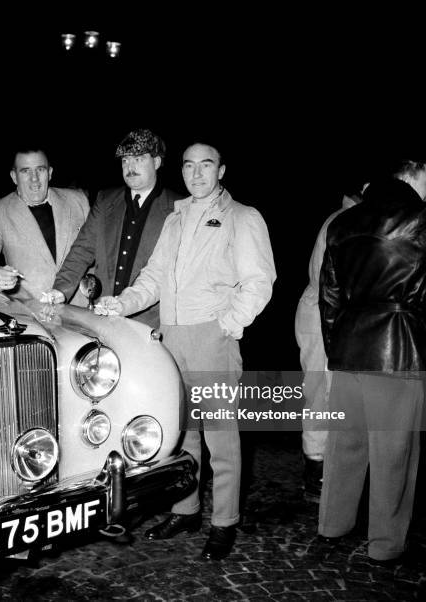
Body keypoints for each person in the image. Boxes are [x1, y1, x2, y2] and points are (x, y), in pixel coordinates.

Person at [95, 141, 276, 560]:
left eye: (206, 165)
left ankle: (224, 522)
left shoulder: (242, 217)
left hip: (211, 340)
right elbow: (154, 277)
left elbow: (259, 281)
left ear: (222, 170)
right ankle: (186, 509)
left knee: (221, 442)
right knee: (181, 435)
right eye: (189, 166)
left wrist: (226, 326)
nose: (196, 174)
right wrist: (122, 302)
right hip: (171, 340)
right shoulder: (176, 218)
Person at [318, 155, 426, 565]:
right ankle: (384, 544)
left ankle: (333, 524)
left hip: (349, 345)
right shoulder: (421, 219)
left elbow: (328, 295)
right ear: (411, 175)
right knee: (394, 451)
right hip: (399, 347)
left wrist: (335, 348)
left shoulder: (342, 222)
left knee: (344, 444)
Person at [43, 128, 183, 327]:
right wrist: (60, 290)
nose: (130, 167)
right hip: (102, 316)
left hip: (150, 323)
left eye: (138, 159)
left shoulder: (178, 209)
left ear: (157, 162)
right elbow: (82, 249)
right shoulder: (105, 200)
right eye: (125, 160)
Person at [295, 183, 363, 502]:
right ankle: (316, 475)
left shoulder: (351, 218)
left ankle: (327, 471)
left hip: (330, 315)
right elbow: (329, 283)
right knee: (321, 396)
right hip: (322, 315)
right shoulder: (344, 221)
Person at [0, 146, 89, 302]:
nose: (34, 178)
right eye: (25, 171)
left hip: (84, 310)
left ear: (49, 173)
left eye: (40, 170)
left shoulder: (79, 200)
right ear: (14, 177)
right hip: (32, 316)